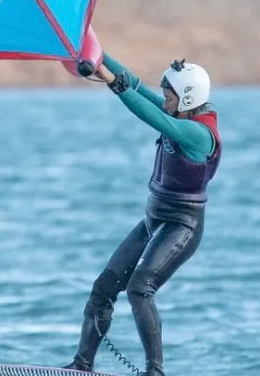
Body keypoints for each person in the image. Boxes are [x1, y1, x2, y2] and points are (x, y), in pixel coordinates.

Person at [63, 53, 222, 376]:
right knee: (104, 287)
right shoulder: (179, 113)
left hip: (182, 225)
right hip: (154, 220)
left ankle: (155, 371)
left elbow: (155, 118)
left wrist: (112, 83)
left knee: (140, 289)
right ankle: (82, 365)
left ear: (187, 99)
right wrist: (97, 53)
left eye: (169, 97)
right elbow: (136, 85)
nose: (164, 102)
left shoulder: (198, 135)